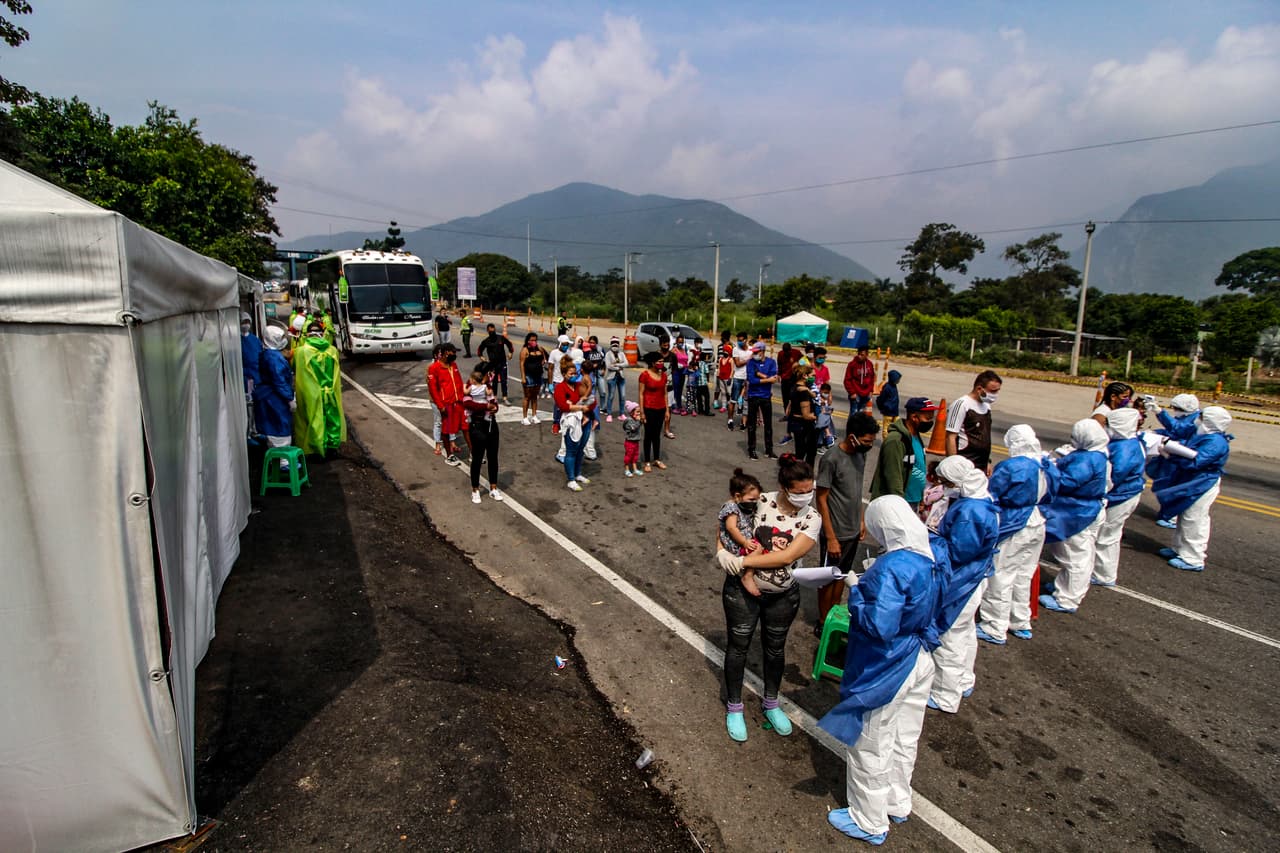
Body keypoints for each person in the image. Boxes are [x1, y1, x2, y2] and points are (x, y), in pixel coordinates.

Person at [817, 495, 945, 844]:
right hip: (920, 655)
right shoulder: (929, 555)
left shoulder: (892, 569)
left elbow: (878, 625)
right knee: (905, 736)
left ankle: (868, 820)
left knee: (872, 741)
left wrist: (857, 590)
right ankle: (896, 800)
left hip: (891, 663)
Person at [715, 455, 821, 742]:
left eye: (809, 491)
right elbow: (727, 523)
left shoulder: (812, 517)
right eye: (799, 492)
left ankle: (771, 702)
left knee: (775, 649)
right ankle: (734, 705)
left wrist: (747, 563)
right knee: (738, 645)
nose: (805, 497)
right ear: (784, 487)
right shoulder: (759, 499)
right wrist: (722, 552)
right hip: (740, 593)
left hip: (782, 595)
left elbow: (788, 556)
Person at [927, 456, 999, 714]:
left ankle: (946, 694)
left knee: (950, 637)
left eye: (946, 482)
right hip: (975, 576)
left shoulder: (970, 512)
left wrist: (931, 542)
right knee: (966, 631)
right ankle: (963, 680)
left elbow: (957, 552)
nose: (944, 487)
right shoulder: (979, 499)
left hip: (962, 579)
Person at [977, 425, 1056, 643]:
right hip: (1038, 520)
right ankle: (1020, 620)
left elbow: (994, 492)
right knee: (1024, 573)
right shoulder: (1045, 465)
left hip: (1015, 522)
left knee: (1001, 574)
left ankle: (994, 625)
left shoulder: (1013, 466)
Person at [1038, 419, 1110, 614]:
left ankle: (1067, 598)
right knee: (1081, 551)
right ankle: (1067, 587)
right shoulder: (1095, 454)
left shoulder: (1089, 460)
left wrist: (1049, 467)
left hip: (1078, 511)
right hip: (1083, 508)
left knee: (1074, 554)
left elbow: (1068, 481)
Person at [815, 412, 880, 627]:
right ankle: (823, 621)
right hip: (836, 531)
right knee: (827, 579)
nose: (869, 445)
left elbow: (856, 491)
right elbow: (822, 499)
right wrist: (831, 537)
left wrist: (861, 520)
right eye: (866, 441)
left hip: (852, 530)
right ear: (852, 437)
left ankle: (833, 613)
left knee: (841, 576)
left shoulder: (861, 456)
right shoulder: (831, 458)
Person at [1150, 405, 1233, 572]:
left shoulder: (1215, 442)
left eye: (1202, 417)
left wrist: (1171, 454)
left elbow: (1196, 461)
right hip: (1194, 480)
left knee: (1194, 519)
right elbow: (1179, 431)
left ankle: (1193, 558)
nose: (1198, 419)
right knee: (1185, 515)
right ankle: (1180, 549)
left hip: (1202, 482)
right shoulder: (1203, 433)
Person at [1090, 408, 1146, 586]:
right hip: (1125, 494)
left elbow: (1113, 476)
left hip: (1121, 496)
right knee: (1110, 533)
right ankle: (1101, 570)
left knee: (1107, 535)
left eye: (1109, 425)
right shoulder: (1128, 443)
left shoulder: (1124, 449)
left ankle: (1103, 574)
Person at [870, 397, 937, 508]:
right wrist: (900, 505)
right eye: (927, 418)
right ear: (914, 417)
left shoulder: (915, 436)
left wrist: (920, 498)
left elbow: (919, 466)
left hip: (913, 500)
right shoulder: (896, 440)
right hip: (900, 503)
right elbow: (893, 475)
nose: (930, 422)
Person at [293, 322, 346, 457]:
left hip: (312, 393)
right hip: (331, 392)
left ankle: (317, 449)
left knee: (315, 420)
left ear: (307, 334)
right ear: (322, 334)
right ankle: (332, 447)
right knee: (332, 419)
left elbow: (294, 368)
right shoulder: (332, 350)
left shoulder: (301, 352)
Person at [945, 370, 1002, 474]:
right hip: (965, 461)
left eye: (998, 391)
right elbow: (950, 437)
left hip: (981, 466)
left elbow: (985, 436)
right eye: (992, 391)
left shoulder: (986, 406)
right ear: (979, 389)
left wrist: (987, 461)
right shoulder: (961, 405)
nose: (995, 394)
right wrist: (953, 466)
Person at [718, 468, 764, 597]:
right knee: (758, 549)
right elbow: (732, 528)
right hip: (735, 542)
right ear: (738, 496)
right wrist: (744, 542)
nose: (754, 503)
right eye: (751, 499)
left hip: (742, 539)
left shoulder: (742, 506)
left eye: (756, 500)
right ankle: (747, 575)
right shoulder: (731, 508)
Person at [462, 367, 503, 503]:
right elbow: (468, 403)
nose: (489, 377)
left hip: (491, 425)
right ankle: (475, 489)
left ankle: (493, 487)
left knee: (493, 457)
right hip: (477, 426)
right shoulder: (470, 387)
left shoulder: (488, 388)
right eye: (487, 375)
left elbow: (495, 404)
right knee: (477, 459)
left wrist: (494, 408)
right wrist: (486, 407)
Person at [555, 356, 596, 491]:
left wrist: (579, 406)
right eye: (570, 374)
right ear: (564, 374)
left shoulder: (579, 385)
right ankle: (571, 478)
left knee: (580, 450)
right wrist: (580, 408)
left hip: (584, 422)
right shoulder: (560, 388)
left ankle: (578, 474)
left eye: (575, 373)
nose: (573, 376)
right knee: (571, 451)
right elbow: (563, 406)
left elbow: (592, 401)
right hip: (571, 422)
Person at [255, 326, 295, 461]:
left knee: (272, 426)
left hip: (269, 396)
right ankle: (283, 461)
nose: (284, 341)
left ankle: (277, 458)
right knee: (279, 425)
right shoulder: (274, 358)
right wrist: (290, 398)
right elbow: (279, 381)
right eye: (281, 338)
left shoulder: (267, 354)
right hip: (275, 398)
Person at [426, 342, 465, 466]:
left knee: (462, 426)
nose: (454, 354)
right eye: (452, 352)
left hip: (456, 402)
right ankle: (448, 454)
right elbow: (433, 389)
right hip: (444, 403)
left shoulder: (453, 365)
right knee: (443, 426)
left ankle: (454, 446)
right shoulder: (433, 368)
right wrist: (440, 405)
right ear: (445, 353)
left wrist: (463, 398)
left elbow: (458, 382)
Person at [745, 341, 778, 460]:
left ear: (763, 351)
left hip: (765, 396)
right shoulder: (751, 363)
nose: (755, 355)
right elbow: (751, 380)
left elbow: (774, 378)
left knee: (768, 424)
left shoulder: (771, 362)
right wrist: (766, 379)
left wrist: (759, 374)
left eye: (757, 352)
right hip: (753, 395)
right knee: (752, 424)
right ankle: (751, 449)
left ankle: (769, 449)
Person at [638, 352, 669, 472]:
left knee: (657, 435)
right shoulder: (644, 375)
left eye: (662, 362)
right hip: (648, 408)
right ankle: (647, 461)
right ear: (652, 362)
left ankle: (656, 459)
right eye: (659, 362)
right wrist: (642, 412)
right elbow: (641, 394)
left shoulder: (664, 375)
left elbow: (665, 393)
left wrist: (667, 410)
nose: (661, 364)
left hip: (660, 408)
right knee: (648, 435)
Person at [788, 363, 819, 467]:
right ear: (804, 376)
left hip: (796, 424)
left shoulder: (795, 387)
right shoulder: (803, 392)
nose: (814, 378)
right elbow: (806, 415)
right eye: (812, 376)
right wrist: (819, 417)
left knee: (799, 453)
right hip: (805, 427)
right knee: (808, 454)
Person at [477, 323, 514, 402]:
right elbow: (480, 349)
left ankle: (505, 397)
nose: (492, 332)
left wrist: (510, 352)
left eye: (493, 330)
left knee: (504, 380)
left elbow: (509, 344)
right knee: (494, 381)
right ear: (487, 331)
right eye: (490, 330)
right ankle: (495, 397)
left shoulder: (501, 338)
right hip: (493, 364)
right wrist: (481, 357)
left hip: (502, 362)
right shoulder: (486, 341)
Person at [240, 312, 263, 437]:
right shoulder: (237, 341)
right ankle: (247, 432)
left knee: (255, 405)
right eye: (243, 322)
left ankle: (254, 429)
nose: (246, 325)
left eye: (247, 322)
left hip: (255, 377)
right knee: (247, 406)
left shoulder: (255, 340)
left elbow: (259, 357)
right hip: (245, 378)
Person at [518, 332, 547, 426]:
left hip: (538, 375)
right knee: (527, 396)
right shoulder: (525, 350)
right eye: (531, 340)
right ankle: (525, 417)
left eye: (535, 340)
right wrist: (523, 377)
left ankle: (534, 415)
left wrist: (543, 362)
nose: (533, 342)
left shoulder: (540, 348)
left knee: (535, 396)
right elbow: (522, 364)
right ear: (528, 340)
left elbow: (545, 357)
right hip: (528, 376)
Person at [843, 345, 876, 417]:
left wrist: (871, 390)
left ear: (866, 355)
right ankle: (851, 428)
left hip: (866, 394)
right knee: (853, 414)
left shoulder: (869, 364)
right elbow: (847, 380)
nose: (859, 356)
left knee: (861, 415)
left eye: (862, 355)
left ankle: (859, 428)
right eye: (859, 354)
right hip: (856, 394)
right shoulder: (852, 364)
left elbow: (872, 378)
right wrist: (852, 392)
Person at [728, 332, 752, 431]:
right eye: (738, 340)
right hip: (738, 377)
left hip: (748, 378)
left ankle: (744, 422)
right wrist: (749, 360)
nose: (739, 342)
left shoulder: (751, 350)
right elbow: (737, 364)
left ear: (746, 340)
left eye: (741, 340)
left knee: (745, 401)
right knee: (733, 400)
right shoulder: (735, 349)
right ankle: (730, 420)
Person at [603, 337, 628, 421]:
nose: (615, 345)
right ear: (611, 344)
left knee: (623, 396)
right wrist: (619, 366)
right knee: (611, 396)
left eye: (616, 343)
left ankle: (621, 413)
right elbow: (609, 366)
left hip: (621, 377)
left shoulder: (621, 353)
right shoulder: (608, 354)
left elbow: (626, 363)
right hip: (611, 378)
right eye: (613, 343)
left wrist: (616, 365)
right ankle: (609, 414)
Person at [876, 369, 902, 435]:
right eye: (897, 379)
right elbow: (881, 398)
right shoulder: (887, 387)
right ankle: (886, 442)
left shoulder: (894, 386)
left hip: (895, 412)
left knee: (899, 427)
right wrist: (882, 407)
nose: (898, 381)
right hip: (888, 412)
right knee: (886, 429)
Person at [622, 400, 644, 476]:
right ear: (631, 412)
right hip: (629, 442)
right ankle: (627, 469)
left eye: (639, 412)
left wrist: (641, 420)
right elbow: (633, 428)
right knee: (628, 456)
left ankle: (635, 469)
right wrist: (639, 421)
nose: (639, 414)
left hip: (636, 441)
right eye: (637, 412)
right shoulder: (629, 420)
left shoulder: (636, 420)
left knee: (635, 456)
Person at [714, 343, 734, 413]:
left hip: (727, 378)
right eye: (724, 351)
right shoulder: (720, 359)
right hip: (721, 378)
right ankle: (724, 406)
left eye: (726, 351)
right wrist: (718, 375)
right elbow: (719, 368)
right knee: (723, 392)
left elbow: (732, 370)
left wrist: (730, 378)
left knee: (729, 392)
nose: (725, 352)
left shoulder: (731, 360)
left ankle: (730, 405)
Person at [816, 382, 837, 449]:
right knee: (821, 432)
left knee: (827, 429)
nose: (826, 394)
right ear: (820, 390)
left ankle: (826, 440)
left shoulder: (826, 399)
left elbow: (830, 403)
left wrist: (829, 396)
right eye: (824, 392)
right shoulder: (818, 398)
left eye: (827, 393)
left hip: (827, 418)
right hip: (821, 418)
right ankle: (821, 443)